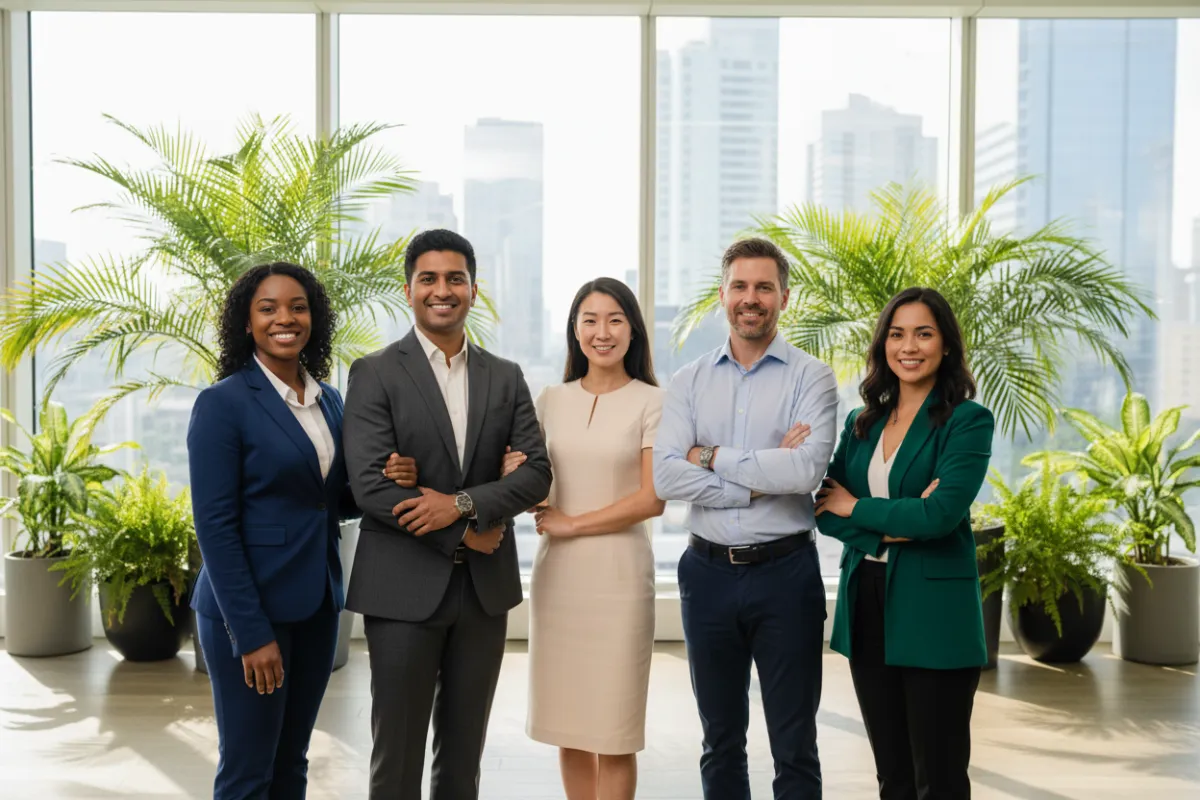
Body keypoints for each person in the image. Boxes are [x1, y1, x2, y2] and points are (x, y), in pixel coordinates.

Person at [341, 228, 552, 800]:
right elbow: (369, 488)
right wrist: (468, 531)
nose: (442, 290)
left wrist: (460, 506)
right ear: (408, 289)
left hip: (482, 595)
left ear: (474, 290)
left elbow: (537, 474)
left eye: (454, 278)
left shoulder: (505, 376)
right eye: (428, 279)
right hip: (402, 591)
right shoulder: (375, 372)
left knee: (464, 759)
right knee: (397, 757)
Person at [652, 237, 838, 800]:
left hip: (786, 575)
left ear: (785, 297)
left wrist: (709, 457)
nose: (750, 298)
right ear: (722, 295)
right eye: (740, 286)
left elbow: (805, 471)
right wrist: (759, 481)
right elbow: (665, 477)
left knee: (795, 743)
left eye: (763, 287)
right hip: (705, 576)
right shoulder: (687, 381)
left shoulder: (813, 378)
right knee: (720, 740)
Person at [815, 287, 994, 800]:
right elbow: (825, 509)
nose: (908, 346)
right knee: (891, 773)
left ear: (945, 346)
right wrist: (898, 520)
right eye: (896, 334)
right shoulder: (862, 421)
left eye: (923, 333)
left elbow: (940, 516)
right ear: (882, 345)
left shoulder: (966, 421)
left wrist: (858, 508)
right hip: (866, 599)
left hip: (935, 613)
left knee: (936, 777)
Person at [188, 262, 354, 799]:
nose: (285, 318)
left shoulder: (329, 400)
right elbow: (214, 526)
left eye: (298, 307)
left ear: (314, 319)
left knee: (291, 763)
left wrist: (391, 477)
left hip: (315, 605)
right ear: (247, 323)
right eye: (268, 308)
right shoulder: (223, 404)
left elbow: (331, 501)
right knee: (248, 770)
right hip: (250, 609)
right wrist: (251, 633)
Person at [497, 277, 664, 800]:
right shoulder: (550, 399)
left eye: (615, 319)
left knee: (614, 732)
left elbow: (651, 499)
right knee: (570, 727)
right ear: (574, 330)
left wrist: (572, 523)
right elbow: (533, 488)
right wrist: (515, 478)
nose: (602, 332)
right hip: (560, 581)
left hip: (619, 578)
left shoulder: (654, 402)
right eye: (589, 320)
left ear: (633, 330)